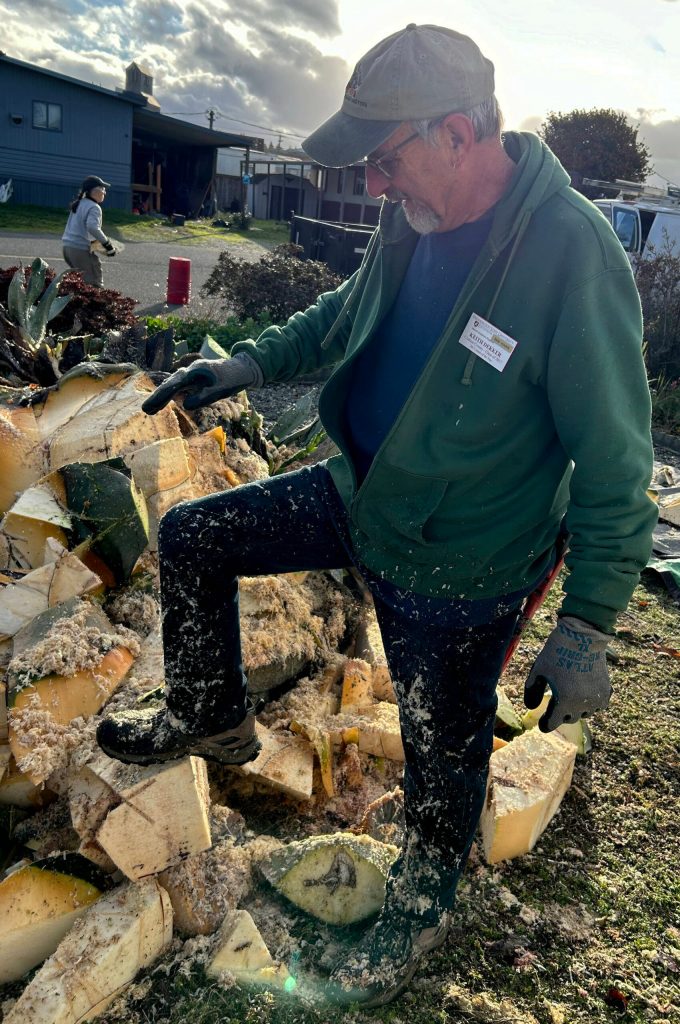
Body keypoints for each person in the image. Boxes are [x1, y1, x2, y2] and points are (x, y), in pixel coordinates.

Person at [96, 24, 657, 1007]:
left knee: (442, 748)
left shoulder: (568, 256)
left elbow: (615, 464)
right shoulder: (412, 220)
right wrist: (249, 361)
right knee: (197, 537)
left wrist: (587, 626)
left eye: (384, 159)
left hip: (466, 557)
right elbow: (344, 314)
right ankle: (209, 713)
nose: (374, 184)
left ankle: (426, 900)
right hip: (363, 495)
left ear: (459, 132)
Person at [62, 175, 117, 287]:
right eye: (102, 189)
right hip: (79, 249)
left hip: (67, 248)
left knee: (78, 282)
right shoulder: (94, 207)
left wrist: (94, 243)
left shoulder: (79, 203)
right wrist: (107, 244)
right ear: (94, 190)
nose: (104, 192)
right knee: (93, 282)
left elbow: (79, 228)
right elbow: (92, 227)